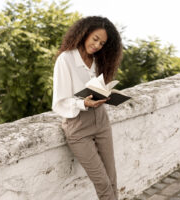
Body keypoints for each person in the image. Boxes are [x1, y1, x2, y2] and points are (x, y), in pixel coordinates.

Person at [52, 16, 123, 200]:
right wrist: (83, 103)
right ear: (85, 34)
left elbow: (96, 88)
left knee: (112, 179)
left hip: (101, 120)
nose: (98, 45)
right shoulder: (65, 60)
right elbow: (60, 101)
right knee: (103, 183)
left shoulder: (98, 61)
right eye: (95, 39)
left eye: (102, 43)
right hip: (78, 127)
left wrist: (105, 95)